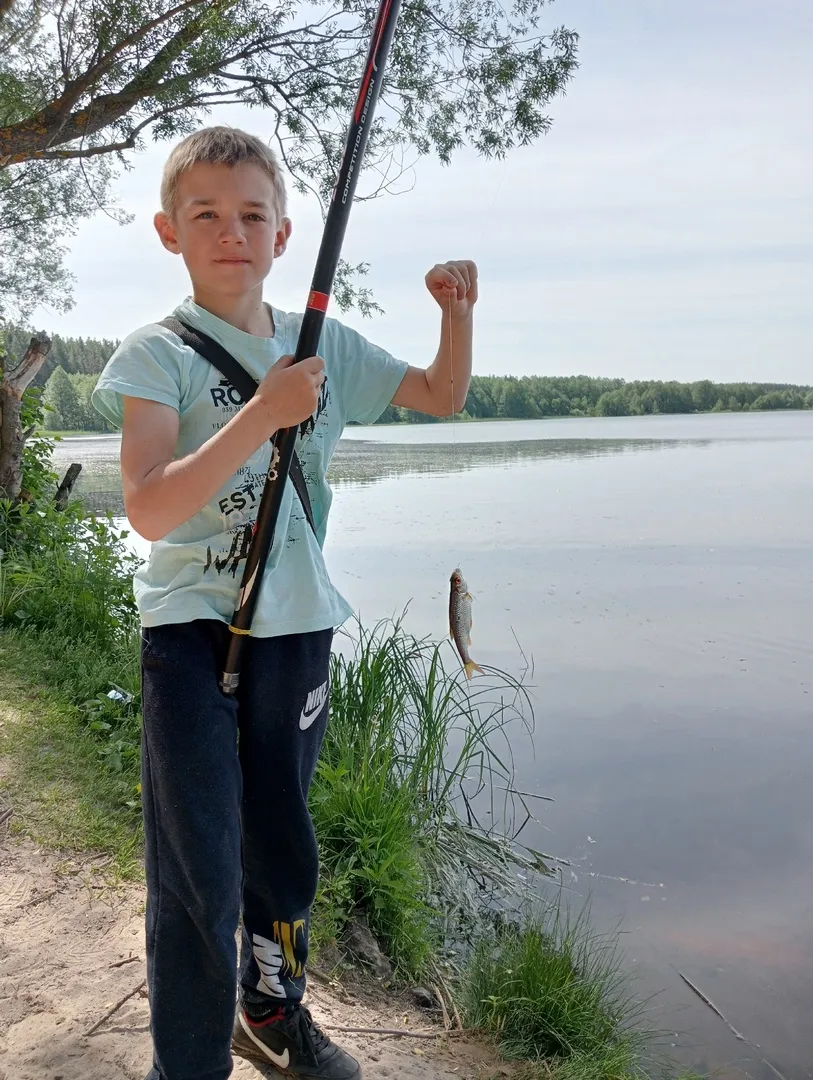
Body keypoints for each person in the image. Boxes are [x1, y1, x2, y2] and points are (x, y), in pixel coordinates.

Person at [92, 125, 476, 1080]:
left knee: (283, 844)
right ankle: (188, 1063)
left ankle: (273, 1010)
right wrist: (264, 413)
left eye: (252, 215)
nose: (232, 231)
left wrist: (456, 311)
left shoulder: (323, 346)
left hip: (296, 634)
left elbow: (440, 394)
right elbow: (147, 506)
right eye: (207, 215)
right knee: (198, 869)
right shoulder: (157, 354)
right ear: (167, 233)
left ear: (284, 233)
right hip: (189, 635)